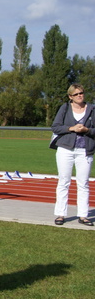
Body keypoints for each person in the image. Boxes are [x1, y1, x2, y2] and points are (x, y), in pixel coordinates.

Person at [51, 83, 95, 226]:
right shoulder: (64, 108)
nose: (80, 96)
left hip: (85, 150)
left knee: (83, 183)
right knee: (64, 181)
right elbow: (56, 127)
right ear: (70, 96)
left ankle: (83, 215)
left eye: (81, 93)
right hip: (65, 149)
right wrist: (71, 128)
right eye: (76, 94)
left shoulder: (92, 109)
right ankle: (60, 214)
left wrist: (87, 130)